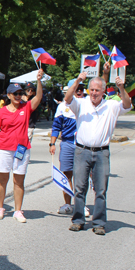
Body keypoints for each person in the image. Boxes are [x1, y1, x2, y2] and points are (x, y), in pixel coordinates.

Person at [65, 72, 131, 235]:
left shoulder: (111, 106)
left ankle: (99, 222)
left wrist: (121, 88)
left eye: (97, 90)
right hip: (82, 151)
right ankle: (78, 220)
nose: (94, 93)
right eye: (92, 90)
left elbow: (128, 105)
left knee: (100, 189)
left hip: (102, 153)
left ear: (103, 92)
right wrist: (78, 81)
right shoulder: (81, 104)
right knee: (80, 188)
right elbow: (67, 99)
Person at [0, 70, 44, 223]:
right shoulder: (2, 112)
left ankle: (18, 211)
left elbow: (38, 97)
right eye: (15, 93)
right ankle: (0, 208)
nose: (18, 96)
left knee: (19, 181)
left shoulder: (26, 107)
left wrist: (39, 81)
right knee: (2, 179)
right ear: (9, 96)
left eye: (20, 93)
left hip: (21, 149)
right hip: (3, 149)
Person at [49, 83, 84, 214]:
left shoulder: (87, 104)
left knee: (82, 176)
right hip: (67, 143)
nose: (79, 91)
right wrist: (52, 144)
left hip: (82, 144)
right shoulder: (62, 107)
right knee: (66, 174)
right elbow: (56, 126)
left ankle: (81, 205)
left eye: (81, 89)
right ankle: (68, 204)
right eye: (76, 89)